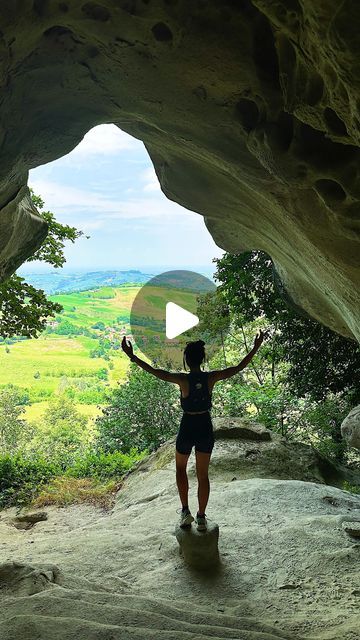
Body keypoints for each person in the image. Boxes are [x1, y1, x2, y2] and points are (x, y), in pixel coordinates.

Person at [121, 330, 265, 531]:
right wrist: (256, 346)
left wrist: (132, 356)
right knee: (202, 475)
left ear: (187, 361)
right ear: (202, 358)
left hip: (188, 426)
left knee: (180, 469)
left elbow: (156, 372)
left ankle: (185, 512)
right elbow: (238, 367)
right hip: (205, 425)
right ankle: (202, 518)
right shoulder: (211, 378)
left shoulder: (182, 380)